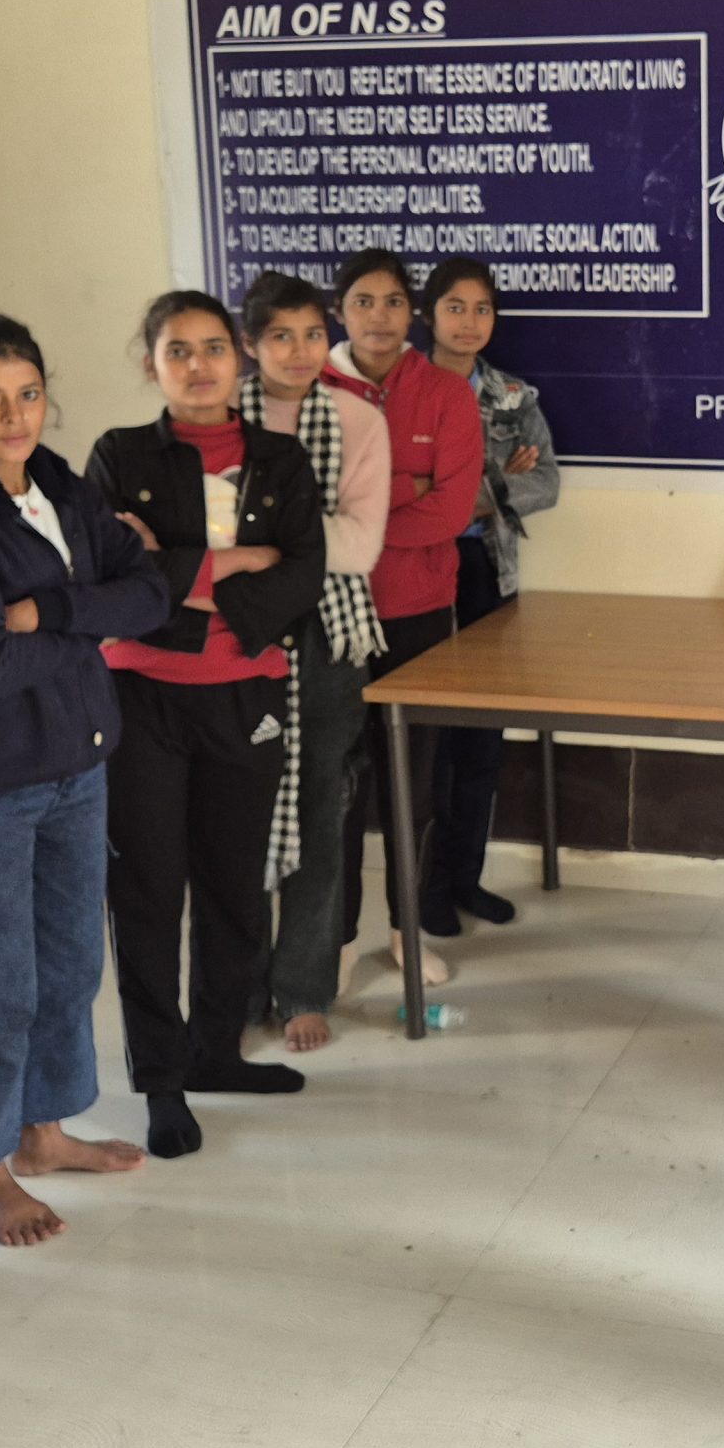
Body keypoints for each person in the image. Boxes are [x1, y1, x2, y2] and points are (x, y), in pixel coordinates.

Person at [0, 310, 169, 1246]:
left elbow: (151, 593)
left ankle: (43, 1133)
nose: (14, 416)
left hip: (75, 765)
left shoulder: (60, 486)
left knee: (68, 964)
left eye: (27, 395)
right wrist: (86, 627)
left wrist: (49, 613)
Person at [87, 291, 324, 1161]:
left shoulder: (281, 459)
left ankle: (217, 1050)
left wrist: (176, 573)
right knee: (148, 892)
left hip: (245, 695)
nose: (198, 366)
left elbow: (302, 575)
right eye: (177, 351)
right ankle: (161, 1079)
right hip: (141, 698)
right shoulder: (119, 456)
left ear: (240, 358)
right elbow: (112, 577)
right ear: (150, 363)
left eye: (213, 348)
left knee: (232, 884)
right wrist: (235, 562)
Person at [236, 271, 389, 1051]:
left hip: (330, 637)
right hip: (238, 635)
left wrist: (266, 539)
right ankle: (237, 985)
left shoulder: (359, 420)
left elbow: (360, 548)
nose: (299, 352)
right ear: (250, 343)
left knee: (321, 813)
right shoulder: (219, 416)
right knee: (236, 815)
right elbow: (204, 538)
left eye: (311, 334)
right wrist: (293, 538)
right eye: (279, 336)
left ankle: (302, 987)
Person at [323, 250, 485, 968]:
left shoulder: (446, 393)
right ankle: (337, 941)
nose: (379, 317)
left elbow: (451, 510)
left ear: (411, 313)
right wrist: (405, 486)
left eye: (393, 302)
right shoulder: (312, 389)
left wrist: (357, 514)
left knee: (413, 786)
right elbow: (304, 510)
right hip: (333, 612)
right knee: (338, 785)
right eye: (364, 301)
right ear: (340, 312)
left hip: (420, 611)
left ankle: (405, 931)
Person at [420, 257, 559, 932]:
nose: (469, 322)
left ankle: (465, 879)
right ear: (429, 314)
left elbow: (546, 483)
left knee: (480, 739)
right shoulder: (402, 391)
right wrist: (494, 483)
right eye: (455, 307)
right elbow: (398, 492)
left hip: (488, 570)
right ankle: (423, 890)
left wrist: (470, 494)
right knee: (429, 743)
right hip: (419, 574)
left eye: (482, 309)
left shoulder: (512, 397)